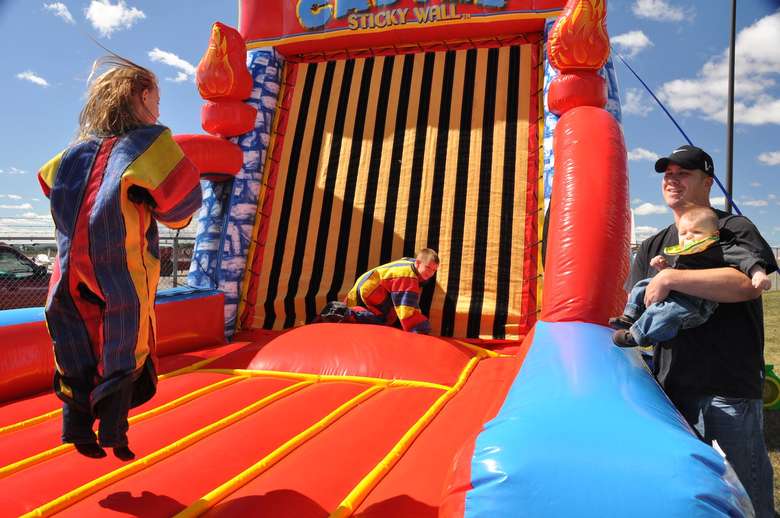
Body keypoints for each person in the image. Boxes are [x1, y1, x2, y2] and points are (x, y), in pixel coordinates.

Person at [37, 56, 202, 461]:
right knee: (126, 337)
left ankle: (75, 426)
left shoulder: (72, 153)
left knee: (74, 338)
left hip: (67, 271)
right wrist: (151, 202)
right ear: (141, 96)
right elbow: (181, 208)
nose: (160, 109)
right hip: (117, 265)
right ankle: (114, 429)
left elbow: (46, 180)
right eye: (158, 99)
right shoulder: (149, 143)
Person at [626, 145, 777, 517]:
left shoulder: (732, 228)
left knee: (748, 488)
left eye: (683, 173)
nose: (671, 180)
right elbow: (635, 305)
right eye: (667, 174)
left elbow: (745, 283)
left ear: (707, 181)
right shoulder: (651, 245)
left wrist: (673, 276)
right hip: (671, 388)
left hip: (728, 387)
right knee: (684, 488)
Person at [612, 204, 771, 347]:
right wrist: (664, 268)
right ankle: (631, 315)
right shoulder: (685, 251)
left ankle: (637, 336)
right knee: (643, 285)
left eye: (696, 232)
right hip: (677, 293)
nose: (688, 237)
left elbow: (746, 258)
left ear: (714, 234)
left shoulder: (720, 248)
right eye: (683, 233)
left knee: (664, 314)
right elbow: (678, 275)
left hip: (695, 304)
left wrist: (758, 273)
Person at [344, 248, 440, 334]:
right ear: (418, 263)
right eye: (428, 267)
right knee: (381, 320)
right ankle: (346, 312)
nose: (430, 273)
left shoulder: (412, 264)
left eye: (434, 270)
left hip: (369, 286)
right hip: (367, 292)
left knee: (392, 317)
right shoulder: (407, 276)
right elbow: (406, 309)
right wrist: (421, 327)